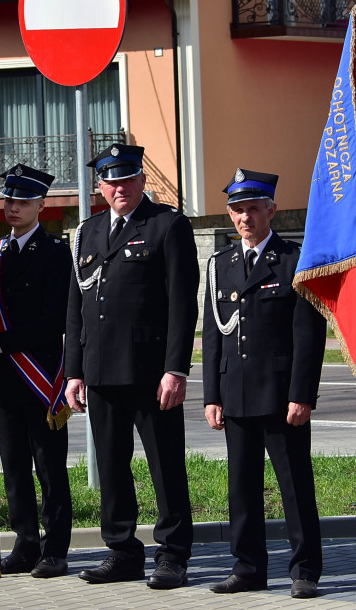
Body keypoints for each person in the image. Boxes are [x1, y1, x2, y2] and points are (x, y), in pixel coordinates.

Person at [65, 143, 200, 588]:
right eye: (110, 180)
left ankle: (173, 553)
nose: (119, 187)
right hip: (101, 371)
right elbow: (76, 309)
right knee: (111, 465)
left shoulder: (167, 225)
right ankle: (122, 549)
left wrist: (176, 369)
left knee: (165, 463)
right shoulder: (87, 232)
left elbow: (182, 304)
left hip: (150, 371)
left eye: (127, 178)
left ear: (142, 180)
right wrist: (74, 371)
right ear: (99, 186)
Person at [202, 169, 327, 598]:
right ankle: (248, 566)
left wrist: (301, 394)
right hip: (234, 392)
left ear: (271, 209)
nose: (245, 218)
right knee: (242, 486)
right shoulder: (221, 265)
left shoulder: (294, 260)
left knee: (294, 483)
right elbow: (213, 335)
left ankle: (305, 569)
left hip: (280, 395)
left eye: (253, 208)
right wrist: (211, 396)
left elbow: (308, 336)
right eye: (237, 210)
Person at [0, 163, 73, 579]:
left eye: (22, 200)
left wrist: (4, 341)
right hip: (3, 379)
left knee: (49, 467)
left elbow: (55, 317)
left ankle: (55, 548)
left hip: (40, 376)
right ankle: (24, 543)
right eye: (8, 199)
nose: (13, 207)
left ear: (41, 204)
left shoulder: (55, 253)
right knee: (14, 466)